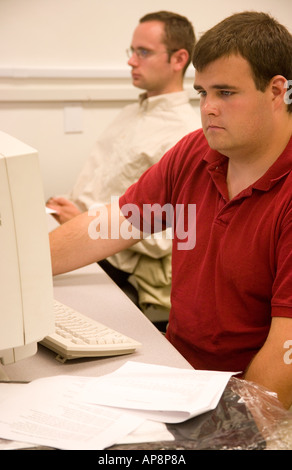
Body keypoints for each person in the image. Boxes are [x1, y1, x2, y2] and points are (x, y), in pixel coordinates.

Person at [49, 11, 292, 409]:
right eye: (202, 93)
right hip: (176, 370)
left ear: (277, 90)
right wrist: (15, 273)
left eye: (226, 93)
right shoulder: (196, 152)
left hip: (241, 397)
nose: (209, 108)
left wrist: (228, 431)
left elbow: (286, 352)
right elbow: (110, 225)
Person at [47, 11, 200, 322]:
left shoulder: (185, 134)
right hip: (79, 230)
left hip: (117, 263)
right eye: (132, 52)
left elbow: (175, 235)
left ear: (178, 59)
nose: (132, 61)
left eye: (143, 52)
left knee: (28, 292)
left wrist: (85, 221)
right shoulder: (130, 113)